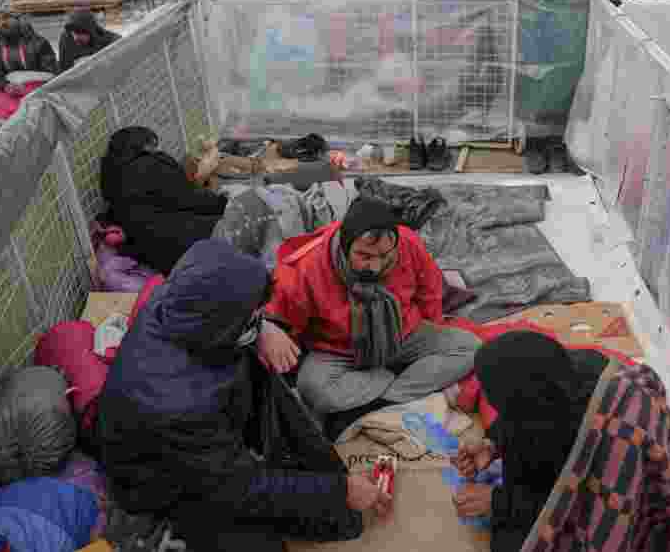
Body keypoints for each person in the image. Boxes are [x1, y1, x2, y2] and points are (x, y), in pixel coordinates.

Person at [98, 239, 389, 551]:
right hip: (161, 485)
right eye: (251, 316)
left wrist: (262, 328)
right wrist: (336, 492)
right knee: (271, 538)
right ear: (222, 325)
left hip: (204, 428)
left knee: (275, 392)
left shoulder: (178, 303)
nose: (256, 319)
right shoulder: (177, 405)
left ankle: (329, 481)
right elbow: (241, 487)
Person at [452, 332, 670, 552]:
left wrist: (499, 502)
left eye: (501, 404)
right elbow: (526, 412)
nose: (496, 408)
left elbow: (582, 508)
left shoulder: (609, 437)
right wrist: (492, 443)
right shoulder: (558, 379)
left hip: (637, 513)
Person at [260, 197, 481, 440]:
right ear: (346, 245)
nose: (375, 266)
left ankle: (375, 401)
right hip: (340, 351)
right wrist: (270, 329)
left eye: (385, 256)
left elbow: (430, 288)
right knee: (312, 387)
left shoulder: (407, 242)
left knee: (469, 347)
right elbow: (281, 316)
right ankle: (399, 382)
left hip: (403, 336)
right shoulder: (309, 265)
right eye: (364, 255)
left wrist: (432, 333)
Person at [99, 126, 228, 275]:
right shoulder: (149, 166)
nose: (158, 148)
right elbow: (188, 197)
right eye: (155, 144)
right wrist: (224, 203)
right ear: (145, 145)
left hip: (156, 256)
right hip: (182, 246)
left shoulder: (113, 177)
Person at [0, 5, 59, 90]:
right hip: (5, 89)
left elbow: (50, 72)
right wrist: (6, 85)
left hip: (37, 88)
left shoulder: (38, 42)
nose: (2, 23)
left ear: (17, 19)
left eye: (6, 17)